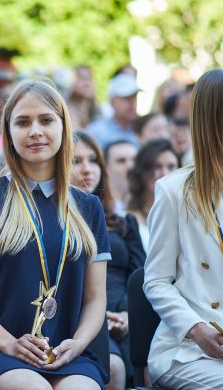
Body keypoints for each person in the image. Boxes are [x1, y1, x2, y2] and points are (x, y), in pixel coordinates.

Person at [0, 78, 110, 390]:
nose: (35, 131)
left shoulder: (89, 206)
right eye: (22, 122)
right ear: (8, 134)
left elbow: (95, 299)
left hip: (66, 352)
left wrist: (77, 344)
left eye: (46, 120)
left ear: (64, 128)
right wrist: (9, 344)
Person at [144, 69, 223, 389]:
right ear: (208, 118)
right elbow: (155, 281)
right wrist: (194, 327)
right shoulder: (174, 191)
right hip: (189, 351)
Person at [71, 131, 145, 390]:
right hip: (82, 313)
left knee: (151, 366)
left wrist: (126, 312)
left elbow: (140, 275)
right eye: (76, 161)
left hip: (127, 312)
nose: (87, 169)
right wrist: (102, 315)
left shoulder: (125, 223)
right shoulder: (55, 223)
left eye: (93, 160)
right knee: (114, 366)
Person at [127, 139, 179, 253]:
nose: (164, 173)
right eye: (157, 166)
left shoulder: (185, 215)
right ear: (142, 170)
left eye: (171, 166)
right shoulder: (126, 219)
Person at [87, 74, 141, 149]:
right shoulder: (96, 132)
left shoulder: (145, 128)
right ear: (112, 102)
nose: (132, 103)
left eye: (134, 97)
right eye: (126, 98)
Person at [104, 140, 138, 214]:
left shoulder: (151, 202)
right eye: (121, 161)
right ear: (106, 168)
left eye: (135, 160)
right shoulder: (100, 207)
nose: (130, 166)